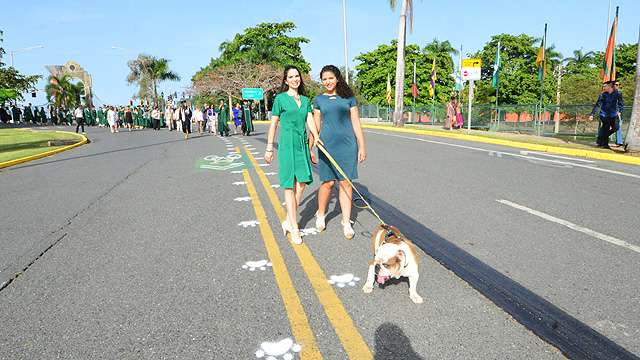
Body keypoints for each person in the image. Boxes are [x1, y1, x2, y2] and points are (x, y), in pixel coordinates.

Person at [265, 65, 321, 245]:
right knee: (289, 185)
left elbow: (310, 119)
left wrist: (317, 138)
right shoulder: (280, 99)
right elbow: (273, 124)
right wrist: (268, 148)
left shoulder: (305, 100)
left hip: (302, 145)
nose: (295, 79)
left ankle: (289, 219)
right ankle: (295, 227)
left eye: (297, 76)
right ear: (285, 80)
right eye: (291, 76)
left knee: (302, 182)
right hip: (287, 145)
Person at [311, 65, 366, 239]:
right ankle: (321, 214)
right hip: (327, 146)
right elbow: (316, 124)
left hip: (347, 145)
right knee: (327, 182)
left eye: (330, 78)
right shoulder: (319, 100)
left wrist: (362, 145)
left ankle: (346, 222)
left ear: (337, 79)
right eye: (324, 79)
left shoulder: (348, 98)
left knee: (345, 183)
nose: (327, 82)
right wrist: (310, 145)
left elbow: (356, 122)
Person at [589, 81, 623, 150]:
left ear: (610, 86)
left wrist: (620, 111)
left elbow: (621, 103)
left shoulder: (618, 94)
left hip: (613, 114)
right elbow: (597, 105)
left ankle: (602, 138)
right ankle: (605, 145)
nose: (604, 88)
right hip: (604, 114)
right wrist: (592, 114)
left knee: (616, 127)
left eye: (605, 86)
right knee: (606, 128)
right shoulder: (603, 95)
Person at [613, 81, 624, 146]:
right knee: (605, 127)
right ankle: (600, 140)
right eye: (616, 84)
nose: (618, 86)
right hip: (608, 112)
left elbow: (621, 103)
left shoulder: (619, 93)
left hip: (616, 113)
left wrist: (620, 111)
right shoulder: (608, 93)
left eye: (619, 85)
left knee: (618, 126)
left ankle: (619, 141)